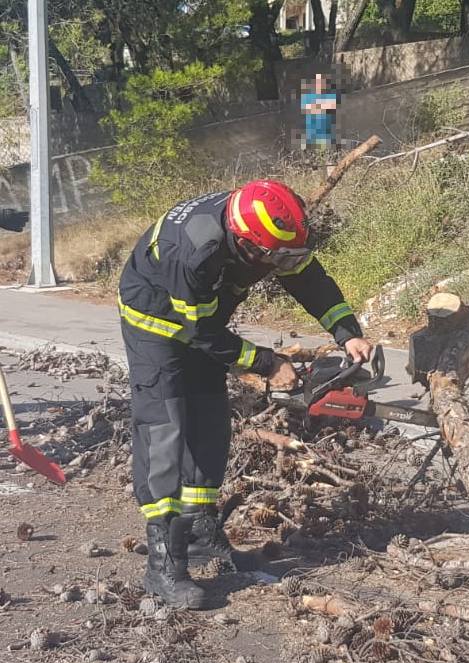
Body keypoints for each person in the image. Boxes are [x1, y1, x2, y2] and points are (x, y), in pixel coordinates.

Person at [117, 180, 373, 608]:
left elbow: (307, 277)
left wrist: (347, 332)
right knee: (165, 429)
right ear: (243, 242)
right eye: (273, 256)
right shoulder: (195, 252)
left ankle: (200, 533)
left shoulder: (270, 229)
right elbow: (199, 332)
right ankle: (164, 562)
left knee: (210, 419)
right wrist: (268, 363)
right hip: (156, 325)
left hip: (204, 316)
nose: (281, 262)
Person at [300, 73, 338, 151]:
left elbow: (331, 107)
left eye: (322, 82)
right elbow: (306, 109)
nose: (320, 85)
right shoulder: (307, 97)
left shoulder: (330, 96)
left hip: (327, 136)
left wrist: (316, 106)